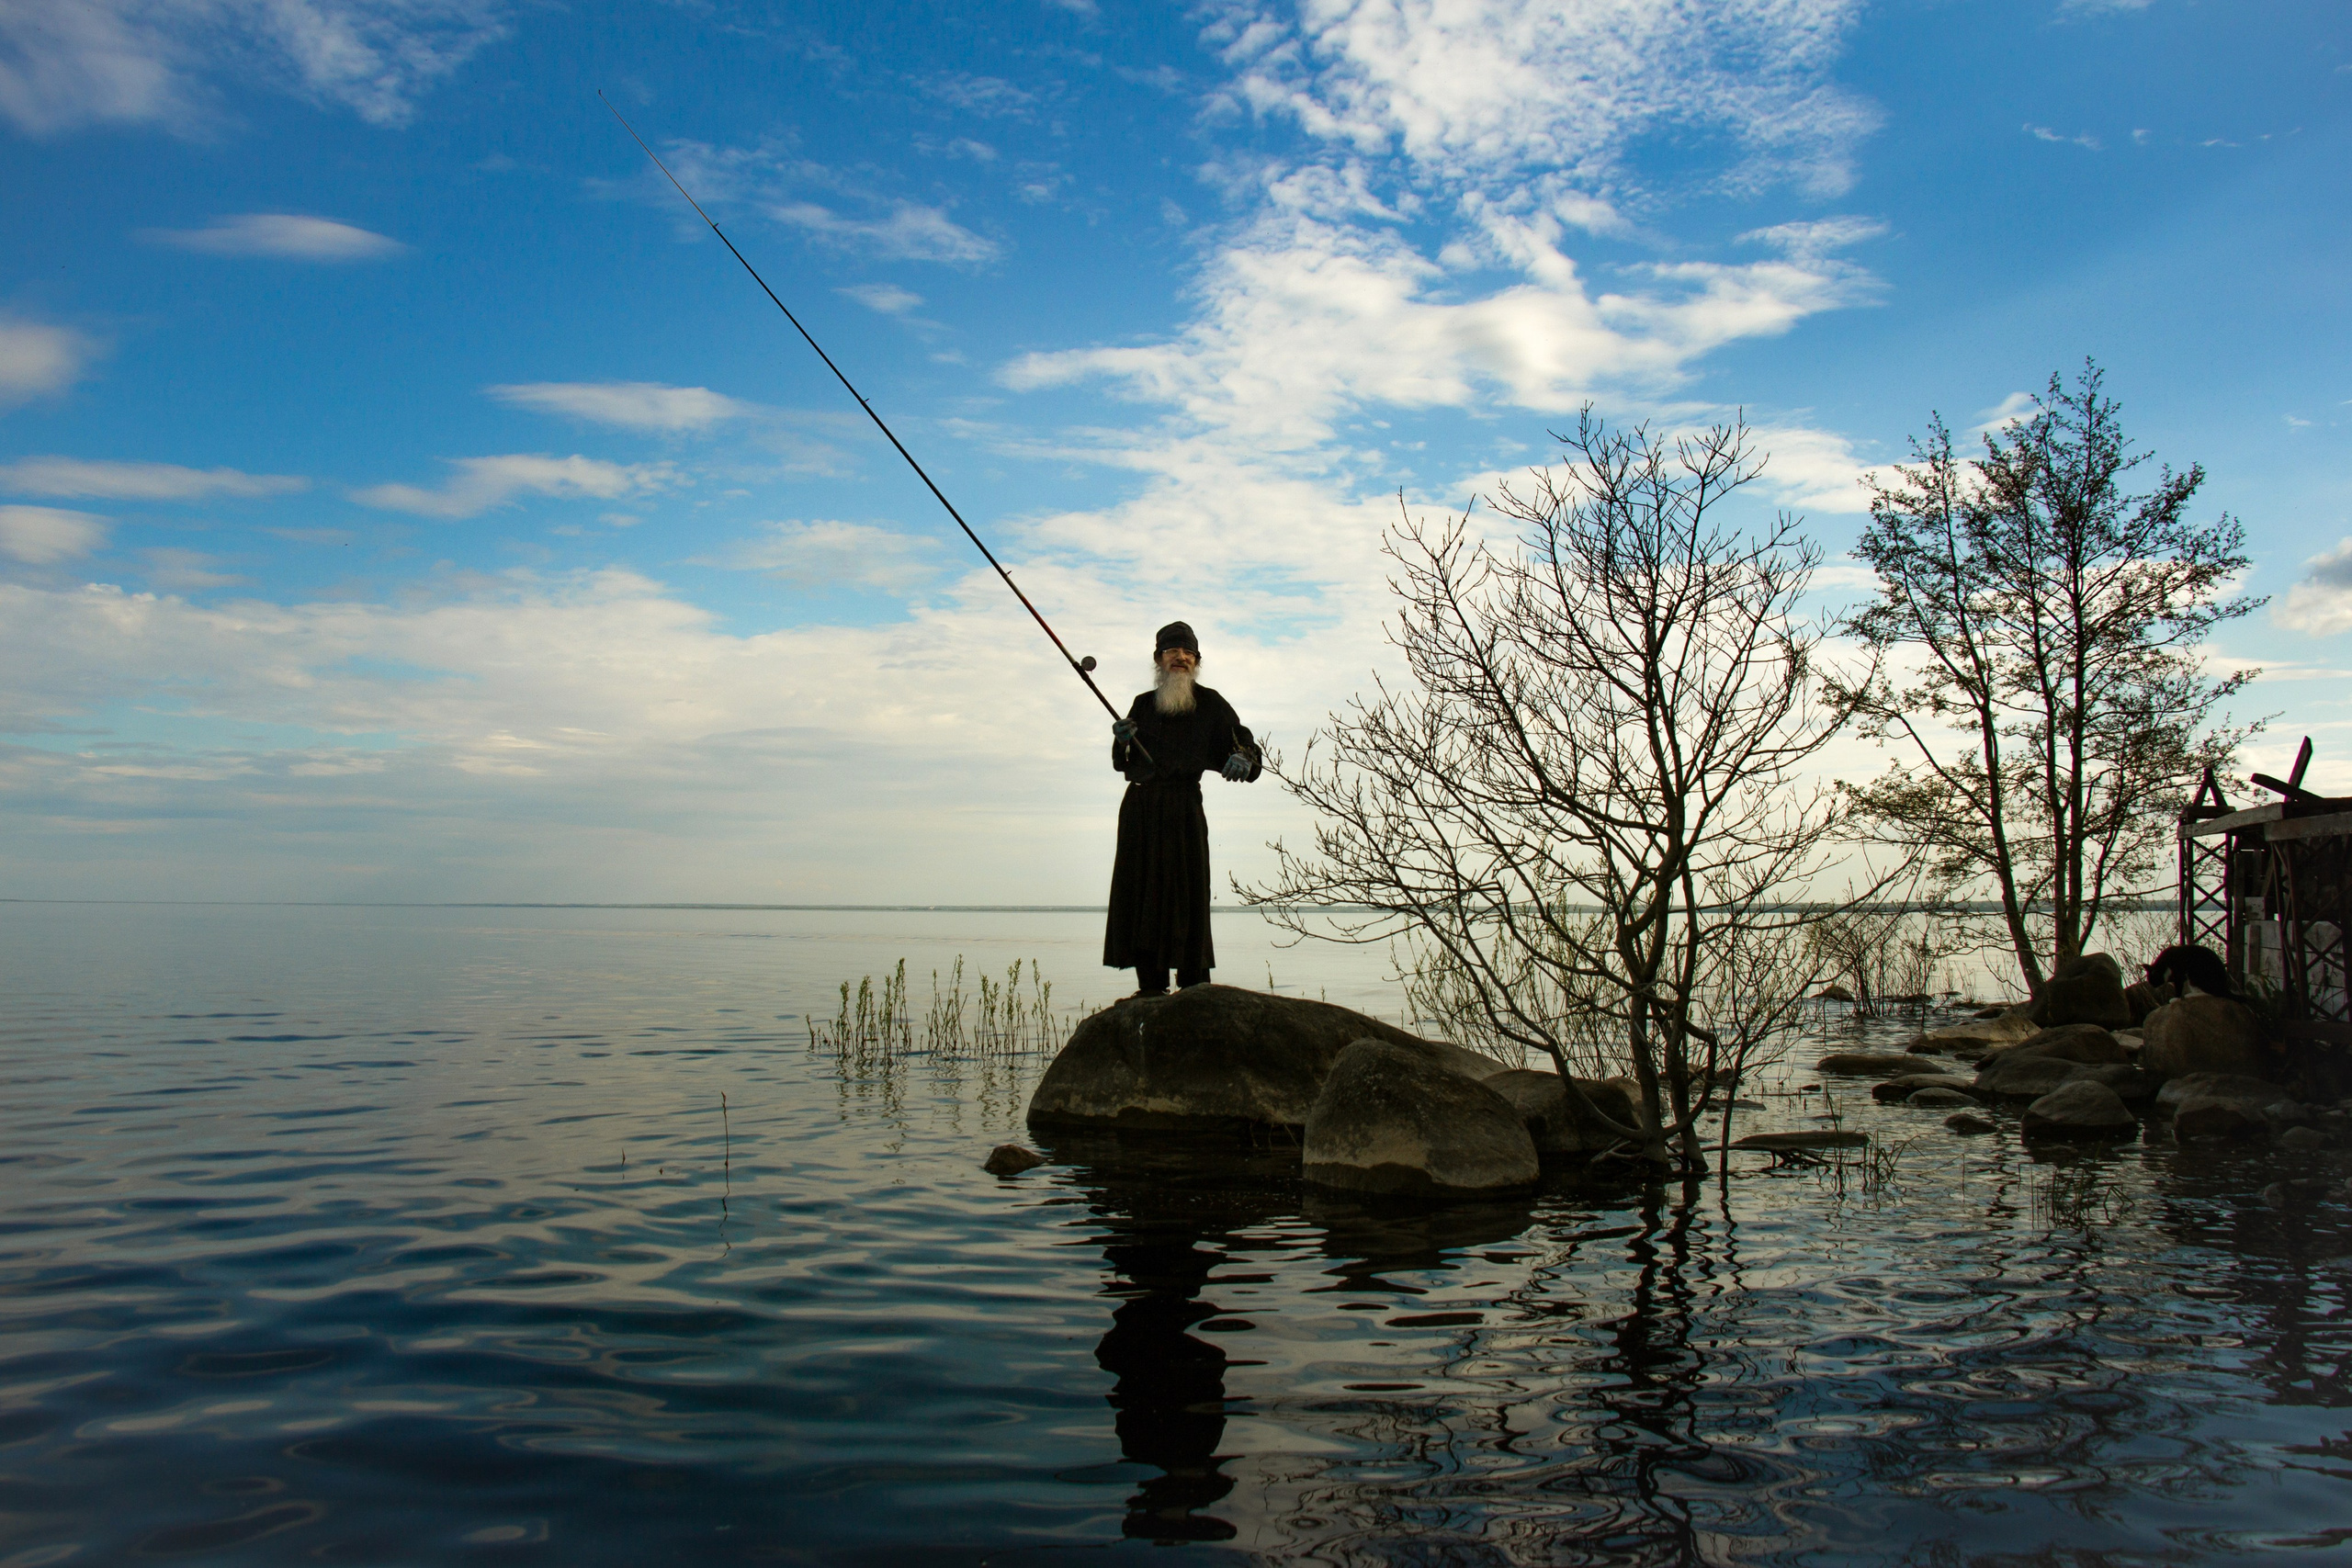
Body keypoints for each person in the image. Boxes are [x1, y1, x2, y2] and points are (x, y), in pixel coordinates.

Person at [1103, 621, 1261, 996]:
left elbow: (1244, 744)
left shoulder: (1210, 704)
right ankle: (1150, 986)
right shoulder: (1143, 704)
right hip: (1140, 810)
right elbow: (1122, 762)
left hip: (1184, 808)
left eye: (1188, 653)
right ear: (1159, 659)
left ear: (1196, 662)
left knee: (1188, 893)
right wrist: (1123, 741)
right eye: (1173, 651)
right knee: (1142, 894)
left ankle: (1194, 986)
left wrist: (1243, 757)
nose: (1181, 658)